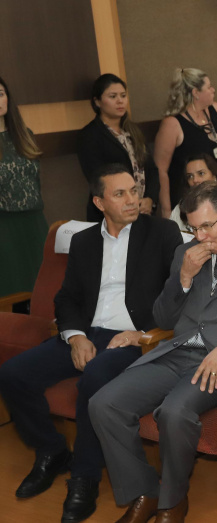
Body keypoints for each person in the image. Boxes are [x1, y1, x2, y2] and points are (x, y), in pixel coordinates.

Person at [89, 182, 217, 523]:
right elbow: (164, 318)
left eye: (207, 226)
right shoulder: (187, 254)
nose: (200, 236)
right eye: (193, 228)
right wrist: (182, 278)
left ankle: (172, 501)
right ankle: (145, 492)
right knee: (104, 404)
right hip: (178, 351)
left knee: (174, 412)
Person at [0, 166, 182, 523]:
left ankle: (84, 476)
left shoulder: (162, 232)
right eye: (120, 194)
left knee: (94, 379)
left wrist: (145, 333)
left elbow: (178, 296)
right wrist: (76, 337)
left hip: (132, 339)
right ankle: (51, 451)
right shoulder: (83, 241)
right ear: (99, 202)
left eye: (133, 191)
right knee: (12, 374)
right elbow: (66, 298)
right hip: (87, 332)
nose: (132, 199)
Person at [154, 68, 217, 214]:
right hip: (192, 202)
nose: (213, 90)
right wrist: (166, 210)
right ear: (195, 92)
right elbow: (161, 170)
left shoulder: (216, 110)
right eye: (209, 87)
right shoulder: (172, 124)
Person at [77, 74, 157, 221]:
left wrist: (150, 199)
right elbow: (97, 178)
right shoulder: (90, 135)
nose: (120, 101)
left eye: (123, 95)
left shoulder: (133, 131)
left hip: (143, 210)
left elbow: (151, 169)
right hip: (112, 214)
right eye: (113, 96)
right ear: (97, 102)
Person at [0, 75, 46, 297]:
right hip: (4, 225)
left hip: (34, 221)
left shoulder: (25, 135)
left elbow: (35, 181)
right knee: (11, 292)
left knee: (43, 288)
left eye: (0, 94)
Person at [169, 152, 217, 232]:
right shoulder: (179, 209)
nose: (195, 180)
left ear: (214, 176)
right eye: (190, 176)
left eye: (201, 173)